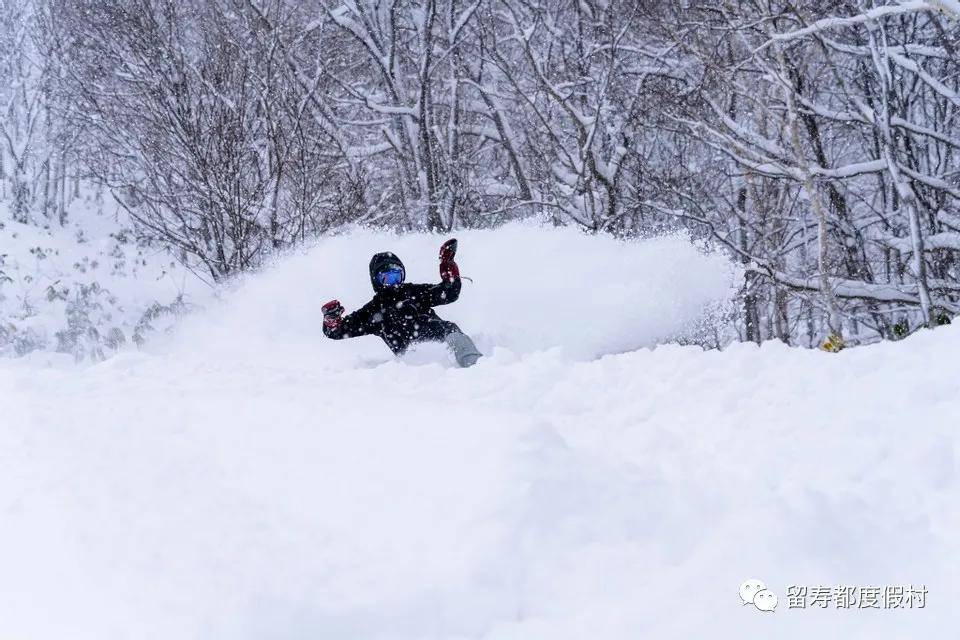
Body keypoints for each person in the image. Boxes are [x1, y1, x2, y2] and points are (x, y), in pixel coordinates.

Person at [322, 238, 482, 367]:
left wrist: (448, 265)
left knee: (452, 329)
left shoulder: (414, 292)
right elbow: (338, 331)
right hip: (415, 357)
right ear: (376, 281)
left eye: (397, 276)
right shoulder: (373, 311)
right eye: (387, 278)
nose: (394, 283)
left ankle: (474, 363)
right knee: (423, 359)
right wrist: (332, 319)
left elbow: (449, 293)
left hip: (443, 335)